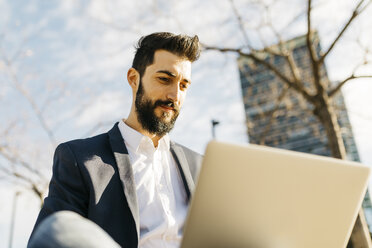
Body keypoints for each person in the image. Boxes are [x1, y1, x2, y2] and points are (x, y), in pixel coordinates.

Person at [28, 32, 203, 248]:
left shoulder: (202, 167)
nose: (174, 95)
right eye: (165, 79)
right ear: (134, 79)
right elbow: (52, 237)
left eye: (184, 85)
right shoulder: (80, 160)